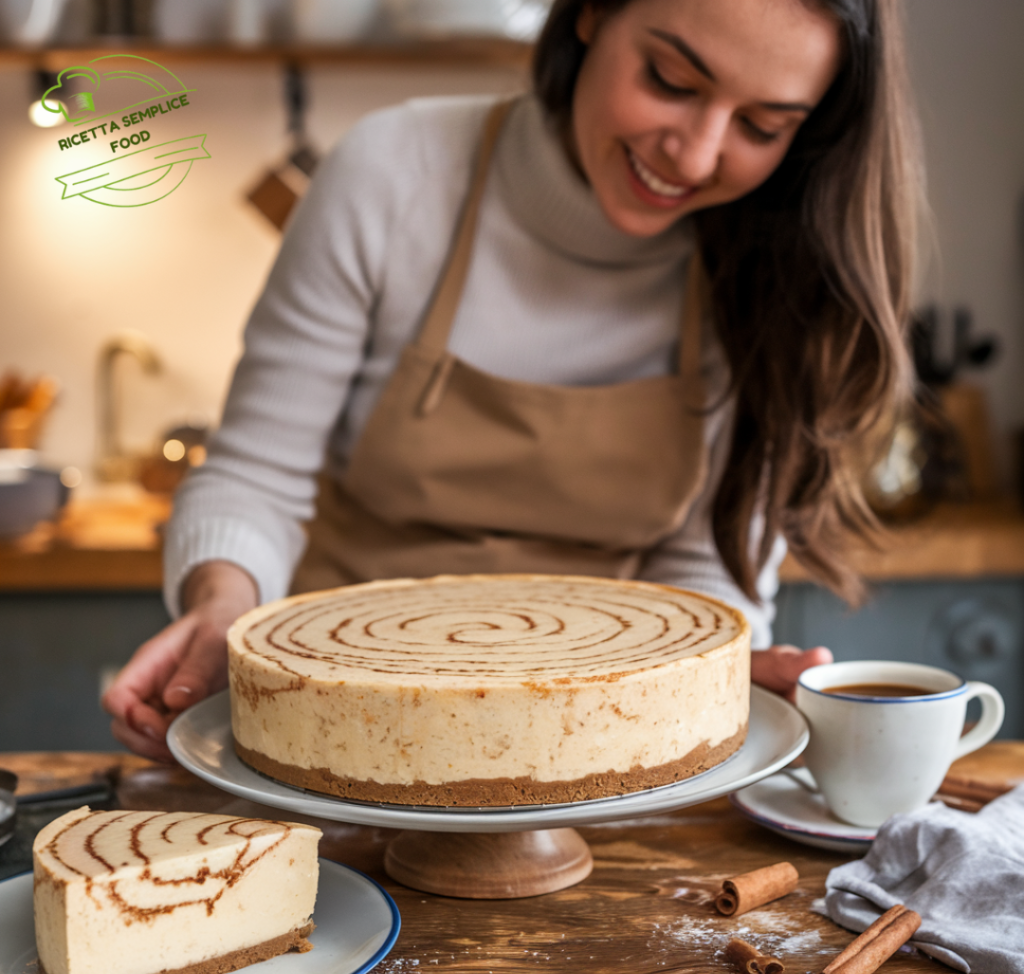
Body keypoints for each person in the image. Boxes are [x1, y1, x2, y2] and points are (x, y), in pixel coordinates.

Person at [104, 0, 920, 762]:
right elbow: (256, 476)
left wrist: (714, 666)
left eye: (761, 125)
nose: (697, 154)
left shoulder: (783, 273)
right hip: (340, 733)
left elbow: (703, 570)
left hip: (599, 749)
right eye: (671, 81)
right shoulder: (393, 175)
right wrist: (221, 610)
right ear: (594, 13)